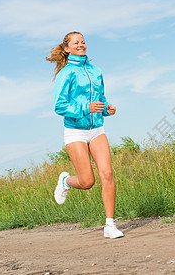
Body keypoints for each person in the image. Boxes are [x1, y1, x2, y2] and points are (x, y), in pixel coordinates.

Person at [46, 31, 123, 239]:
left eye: (83, 42)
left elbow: (100, 99)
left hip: (97, 129)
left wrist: (107, 108)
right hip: (75, 131)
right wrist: (85, 108)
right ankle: (65, 181)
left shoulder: (96, 71)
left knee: (107, 173)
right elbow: (59, 106)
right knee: (87, 181)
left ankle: (109, 225)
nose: (81, 45)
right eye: (76, 42)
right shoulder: (66, 74)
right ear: (67, 48)